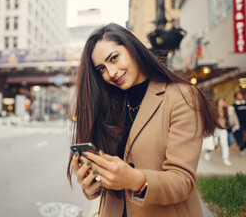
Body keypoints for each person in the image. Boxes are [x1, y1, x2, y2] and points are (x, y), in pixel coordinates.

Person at [66, 23, 221, 217]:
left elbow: (182, 181)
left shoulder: (181, 96)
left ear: (132, 48)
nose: (111, 73)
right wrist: (91, 185)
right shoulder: (111, 105)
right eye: (101, 69)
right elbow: (107, 184)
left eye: (114, 58)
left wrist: (134, 179)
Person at [203, 98, 237, 166]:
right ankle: (208, 153)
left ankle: (225, 159)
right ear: (217, 102)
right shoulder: (213, 109)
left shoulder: (227, 110)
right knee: (213, 144)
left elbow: (231, 118)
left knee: (225, 144)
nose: (221, 103)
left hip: (223, 129)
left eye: (223, 101)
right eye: (220, 101)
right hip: (215, 129)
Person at [233, 91, 246, 155]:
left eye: (241, 95)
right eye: (238, 95)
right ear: (236, 97)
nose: (240, 96)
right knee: (240, 137)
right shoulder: (234, 105)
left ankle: (243, 146)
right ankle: (241, 149)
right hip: (239, 124)